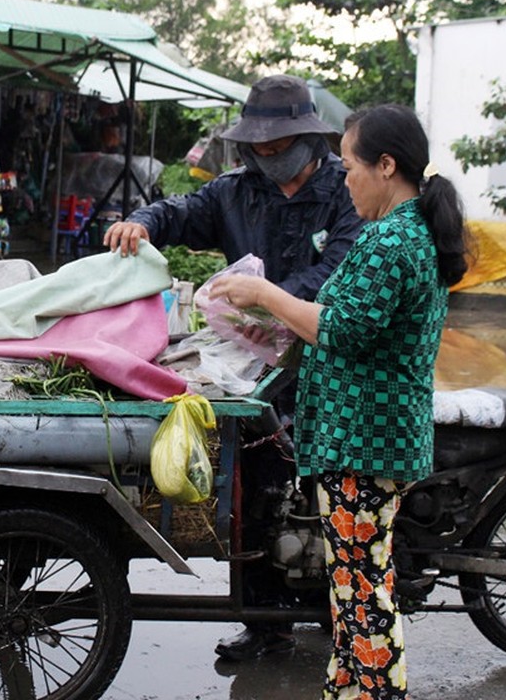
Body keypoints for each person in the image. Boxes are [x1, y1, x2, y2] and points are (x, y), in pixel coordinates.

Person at [210, 104, 468, 699]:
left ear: (385, 165)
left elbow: (342, 328)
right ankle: (348, 690)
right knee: (354, 582)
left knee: (362, 585)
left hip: (363, 439)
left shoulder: (390, 239)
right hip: (372, 435)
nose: (343, 178)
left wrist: (264, 293)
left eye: (349, 165)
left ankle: (376, 692)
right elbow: (347, 328)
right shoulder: (408, 233)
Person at [104, 74, 365, 661]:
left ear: (308, 139)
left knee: (336, 490)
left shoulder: (349, 191)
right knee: (253, 487)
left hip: (331, 362)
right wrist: (142, 222)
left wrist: (270, 306)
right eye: (258, 151)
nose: (267, 160)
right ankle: (266, 621)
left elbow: (339, 273)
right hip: (256, 368)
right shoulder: (236, 191)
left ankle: (343, 610)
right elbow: (181, 210)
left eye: (278, 150)